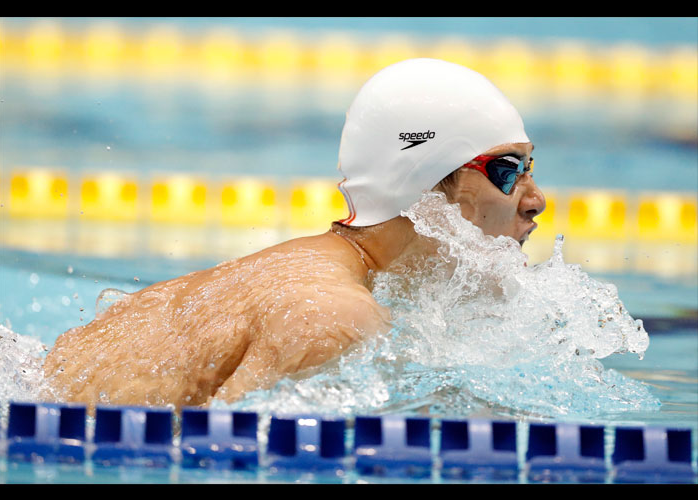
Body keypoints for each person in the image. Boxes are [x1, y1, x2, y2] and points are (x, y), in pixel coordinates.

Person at [41, 58, 546, 411]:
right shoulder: (334, 317)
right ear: (426, 188)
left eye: (529, 167)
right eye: (508, 170)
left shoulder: (318, 275)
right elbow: (220, 462)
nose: (535, 199)